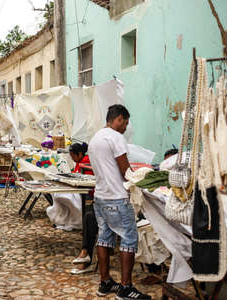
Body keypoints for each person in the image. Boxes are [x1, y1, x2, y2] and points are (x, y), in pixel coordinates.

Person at [88, 104, 151, 300]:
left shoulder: (96, 138)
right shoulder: (116, 138)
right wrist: (143, 177)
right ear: (119, 119)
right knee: (129, 239)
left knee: (104, 238)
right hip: (116, 197)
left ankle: (105, 282)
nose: (126, 127)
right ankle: (125, 287)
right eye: (125, 123)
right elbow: (125, 172)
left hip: (100, 197)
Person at [68, 143, 98, 275]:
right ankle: (85, 252)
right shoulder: (84, 162)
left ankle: (86, 253)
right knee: (88, 216)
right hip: (98, 199)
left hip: (98, 198)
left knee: (89, 216)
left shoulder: (86, 163)